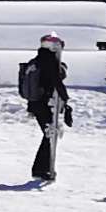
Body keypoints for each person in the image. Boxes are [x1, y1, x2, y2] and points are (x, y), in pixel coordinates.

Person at [22, 31, 74, 182]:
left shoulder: (36, 61)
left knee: (49, 134)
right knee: (50, 134)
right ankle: (41, 169)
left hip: (36, 103)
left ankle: (42, 169)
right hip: (46, 103)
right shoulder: (50, 61)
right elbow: (57, 82)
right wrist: (66, 100)